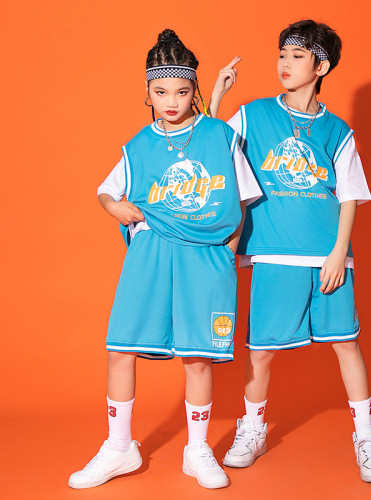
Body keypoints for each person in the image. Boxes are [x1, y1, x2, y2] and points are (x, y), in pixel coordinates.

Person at [68, 29, 261, 490]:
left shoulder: (219, 135)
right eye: (160, 92)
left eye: (181, 92)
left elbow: (243, 198)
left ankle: (197, 450)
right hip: (151, 252)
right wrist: (115, 207)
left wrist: (228, 252)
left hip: (205, 258)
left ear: (194, 90)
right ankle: (119, 447)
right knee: (121, 348)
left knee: (198, 355)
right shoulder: (138, 144)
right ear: (147, 91)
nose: (171, 102)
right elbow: (106, 190)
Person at [209, 19, 371, 484]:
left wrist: (338, 252)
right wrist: (216, 100)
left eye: (296, 56)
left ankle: (367, 437)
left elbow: (348, 195)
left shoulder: (337, 130)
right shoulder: (253, 115)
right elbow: (212, 151)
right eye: (281, 55)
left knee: (347, 343)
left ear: (321, 66)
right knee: (261, 352)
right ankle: (253, 429)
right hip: (274, 253)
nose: (284, 64)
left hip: (328, 255)